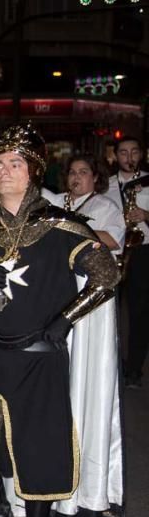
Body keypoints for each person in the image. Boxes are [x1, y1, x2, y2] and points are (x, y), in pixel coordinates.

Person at [0, 124, 120, 517]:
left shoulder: (60, 226)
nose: (5, 171)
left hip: (39, 358)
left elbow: (107, 274)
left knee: (39, 446)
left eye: (14, 164)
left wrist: (64, 320)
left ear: (33, 172)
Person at [107, 136, 149, 388]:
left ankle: (134, 368)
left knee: (140, 313)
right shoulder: (106, 185)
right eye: (123, 152)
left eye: (134, 152)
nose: (129, 157)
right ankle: (112, 364)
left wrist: (144, 215)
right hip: (114, 253)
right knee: (109, 312)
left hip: (143, 252)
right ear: (116, 156)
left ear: (141, 154)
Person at [46, 155, 125, 252]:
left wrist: (72, 230)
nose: (76, 177)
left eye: (83, 172)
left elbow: (114, 241)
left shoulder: (107, 205)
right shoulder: (55, 200)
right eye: (72, 172)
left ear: (95, 177)